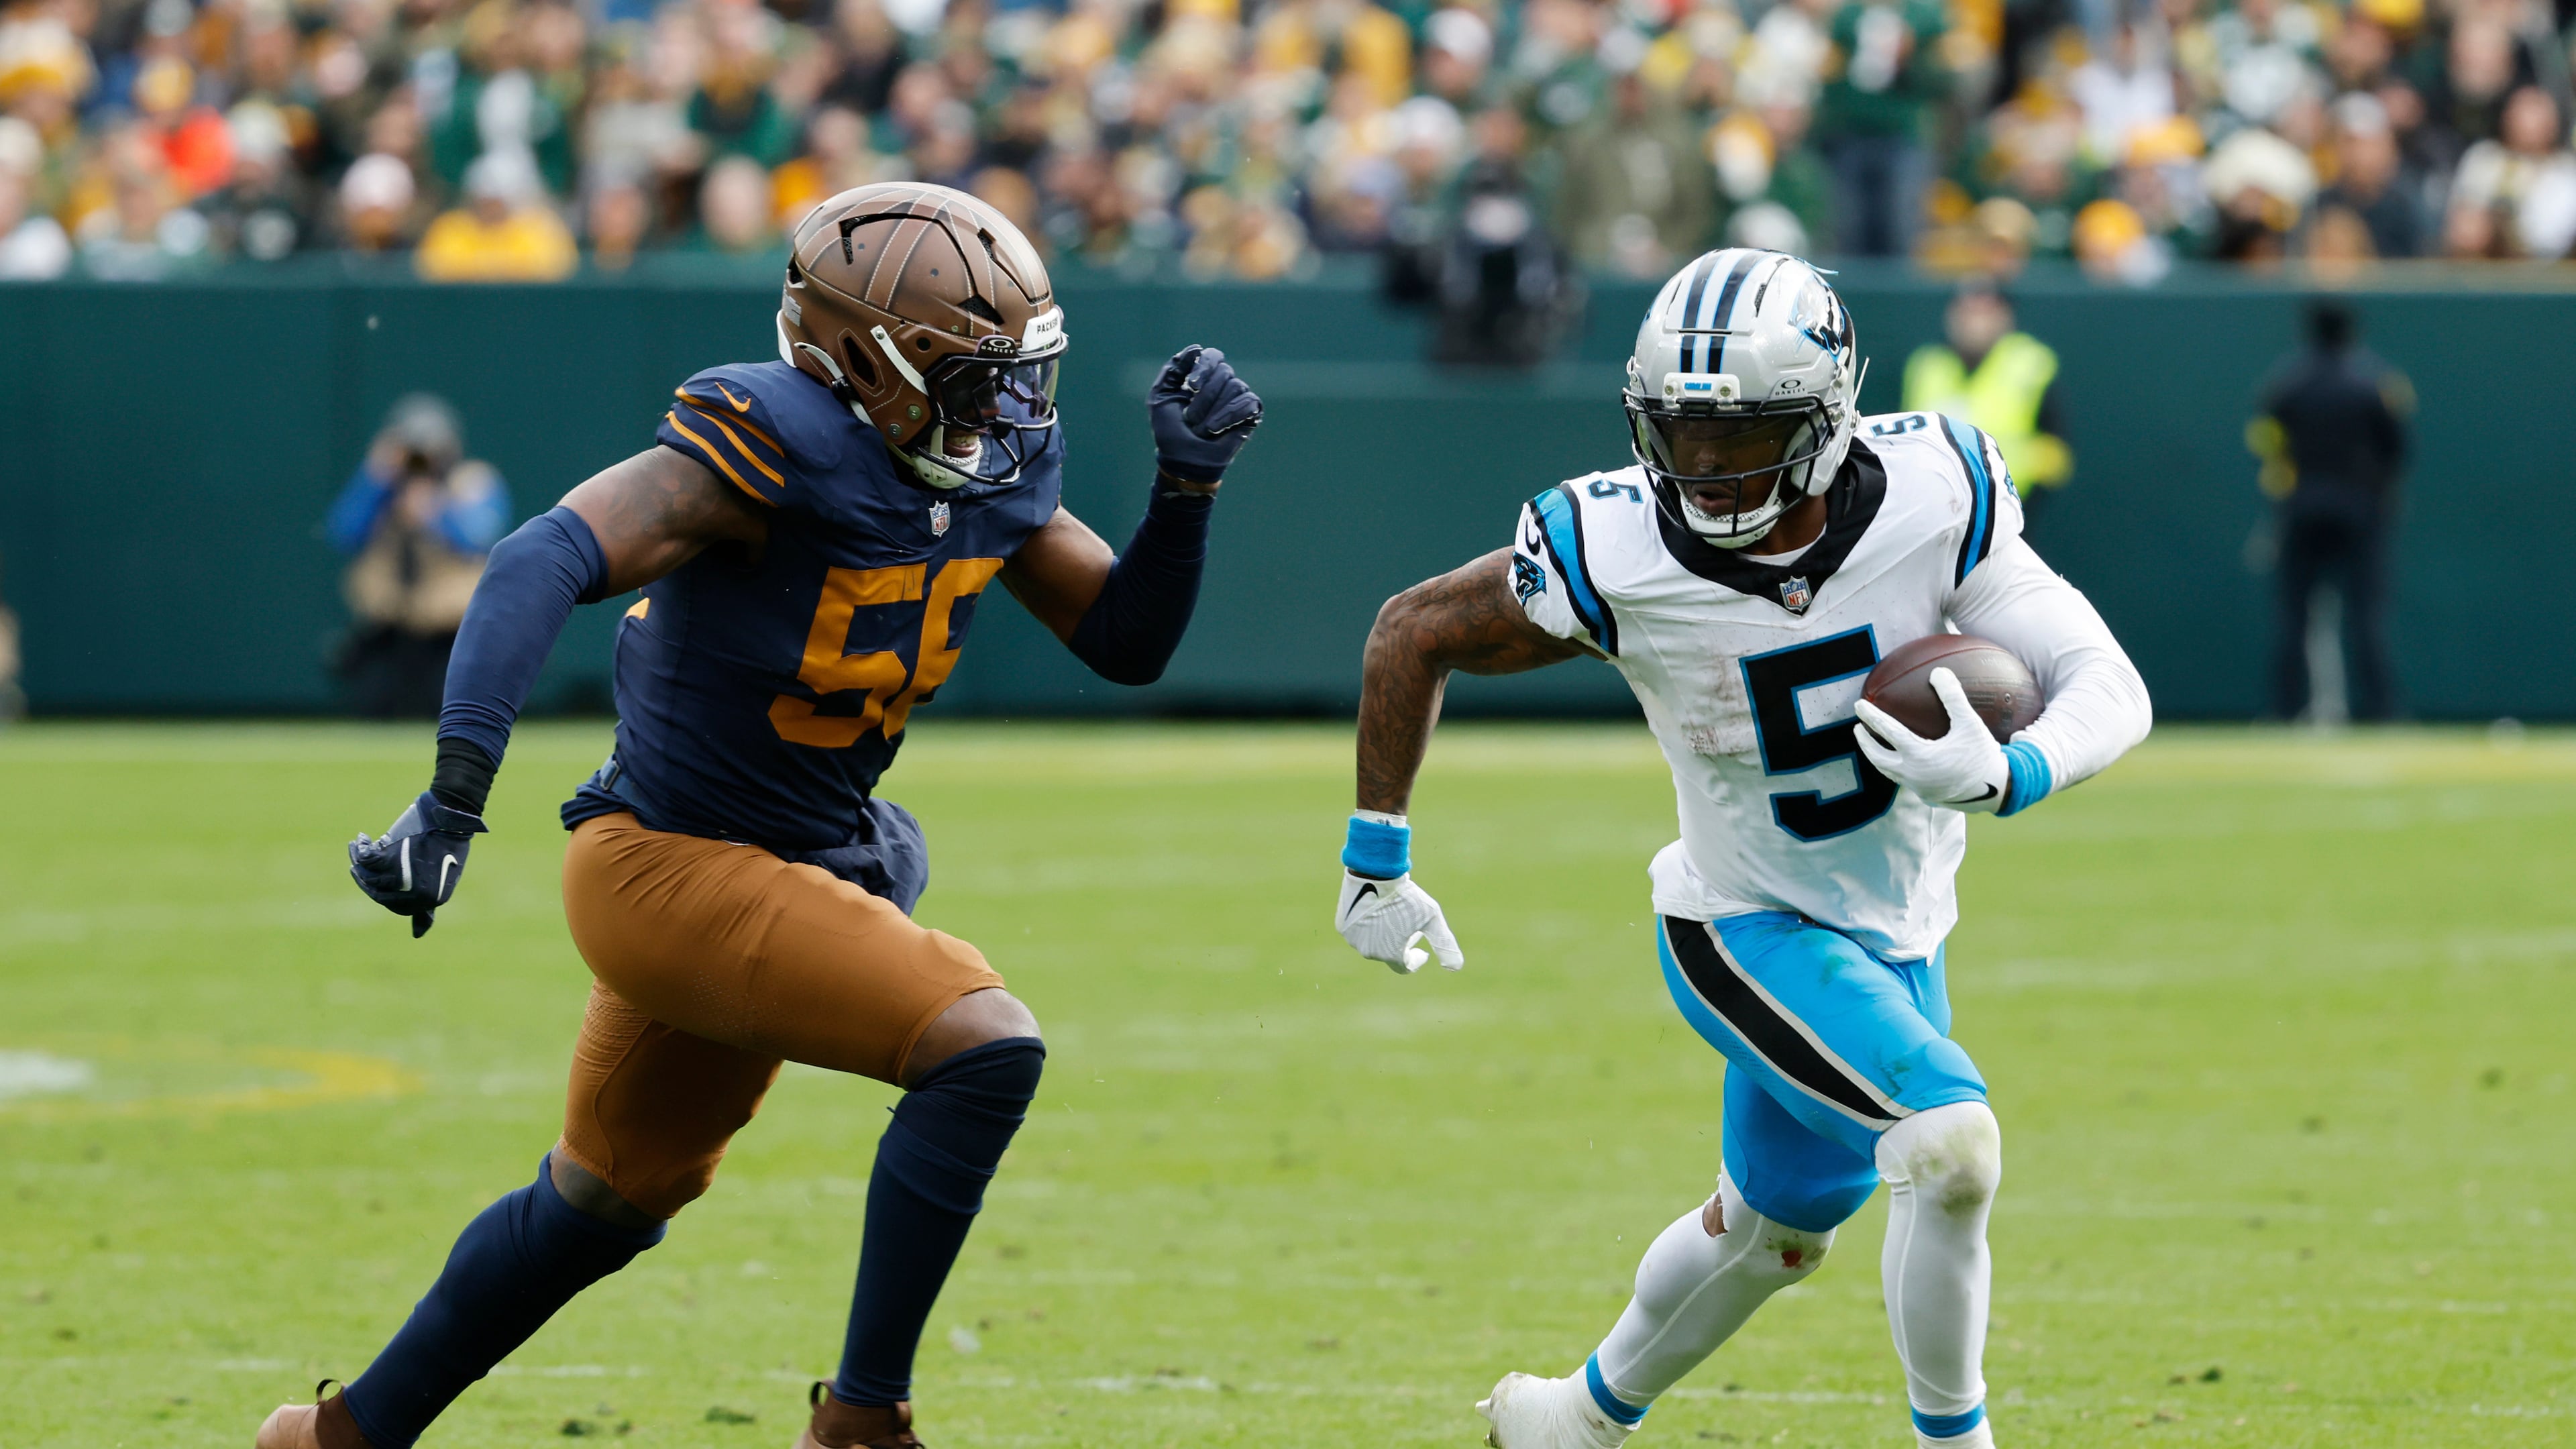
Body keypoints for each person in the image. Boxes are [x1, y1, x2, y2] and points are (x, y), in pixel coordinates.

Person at [256, 183, 1264, 1449]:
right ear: (862, 361)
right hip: (665, 867)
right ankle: (863, 1423)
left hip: (791, 868)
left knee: (609, 1196)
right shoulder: (775, 435)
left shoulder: (983, 471)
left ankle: (335, 1440)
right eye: (971, 376)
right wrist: (453, 798)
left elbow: (1123, 643)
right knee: (984, 1042)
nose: (1006, 409)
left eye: (1019, 376)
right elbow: (538, 560)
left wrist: (1184, 495)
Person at [1334, 249, 2150, 1449]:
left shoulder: (1934, 491)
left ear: (1828, 419)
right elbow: (1414, 632)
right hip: (1740, 926)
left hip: (1896, 927)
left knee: (1773, 1232)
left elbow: (2103, 679)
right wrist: (1375, 858)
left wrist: (2012, 770)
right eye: (1681, 435)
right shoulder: (1613, 548)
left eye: (1743, 437)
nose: (1705, 472)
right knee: (1950, 1142)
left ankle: (1573, 1418)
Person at [2249, 300, 2411, 722]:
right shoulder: (2375, 383)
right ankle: (2380, 710)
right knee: (2367, 613)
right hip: (2361, 510)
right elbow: (2397, 450)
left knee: (2293, 616)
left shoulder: (2288, 385)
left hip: (2303, 507)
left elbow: (2267, 442)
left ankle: (2286, 709)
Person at [324, 396, 513, 719]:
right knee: (374, 703)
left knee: (453, 708)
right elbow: (343, 533)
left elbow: (480, 540)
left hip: (453, 627)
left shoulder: (471, 481)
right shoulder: (383, 488)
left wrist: (436, 514)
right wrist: (374, 480)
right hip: (391, 623)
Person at [1900, 279, 2073, 523]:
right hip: (1936, 515)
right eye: (1968, 310)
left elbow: (2057, 450)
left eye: (1987, 310)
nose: (1976, 321)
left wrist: (2019, 500)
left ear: (2006, 316)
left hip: (2010, 514)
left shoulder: (2032, 364)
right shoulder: (1927, 366)